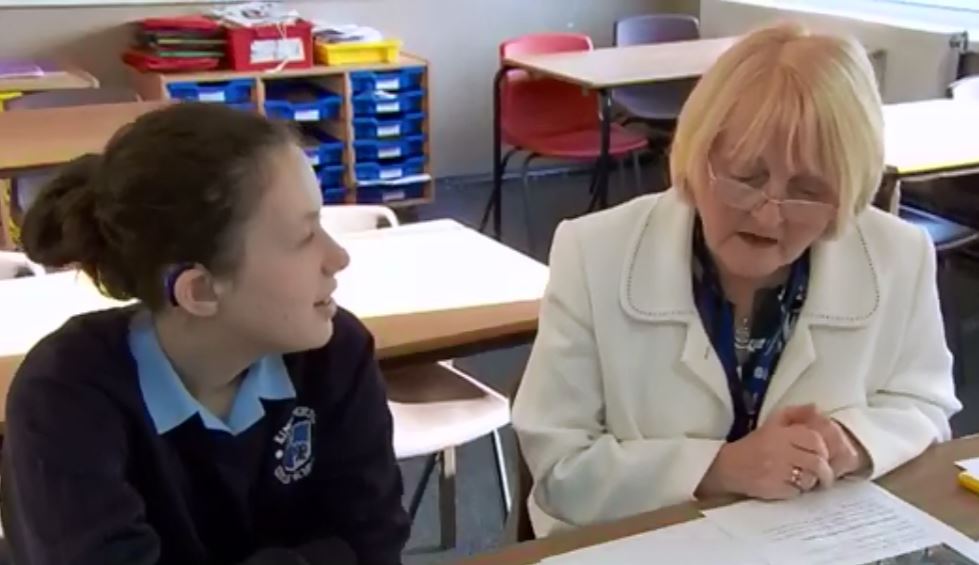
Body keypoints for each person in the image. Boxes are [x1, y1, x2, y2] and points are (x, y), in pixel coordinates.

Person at [511, 23, 962, 537]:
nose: (769, 217)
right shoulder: (595, 252)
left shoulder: (898, 254)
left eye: (808, 191)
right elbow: (559, 470)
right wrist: (720, 468)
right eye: (746, 178)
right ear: (698, 155)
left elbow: (924, 405)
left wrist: (851, 441)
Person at [1, 103, 410, 565]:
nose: (338, 257)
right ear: (199, 291)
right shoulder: (63, 395)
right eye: (302, 237)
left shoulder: (336, 352)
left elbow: (375, 545)